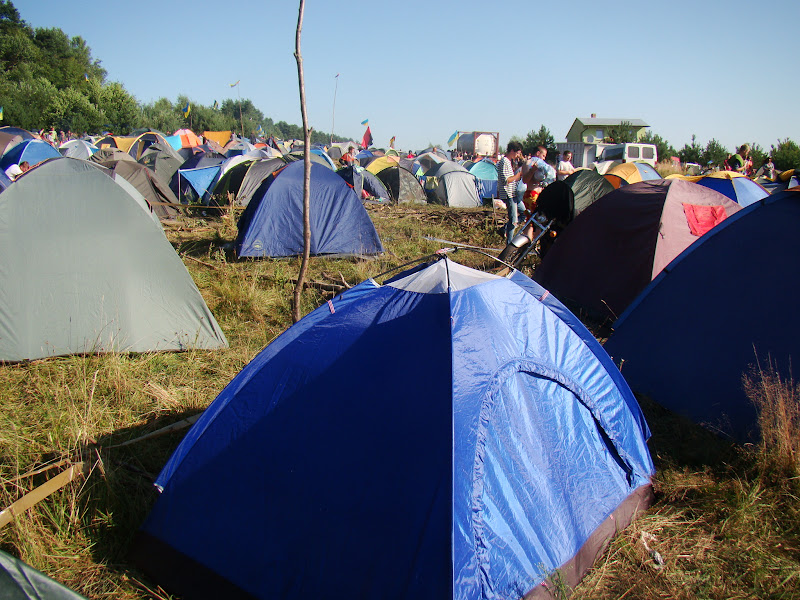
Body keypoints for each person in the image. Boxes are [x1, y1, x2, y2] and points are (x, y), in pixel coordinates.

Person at [497, 141, 524, 243]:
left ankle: (504, 229)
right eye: (517, 153)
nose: (517, 156)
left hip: (513, 193)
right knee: (513, 221)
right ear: (512, 151)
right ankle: (509, 244)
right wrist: (518, 175)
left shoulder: (509, 162)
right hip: (508, 194)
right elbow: (506, 180)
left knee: (524, 213)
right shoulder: (504, 162)